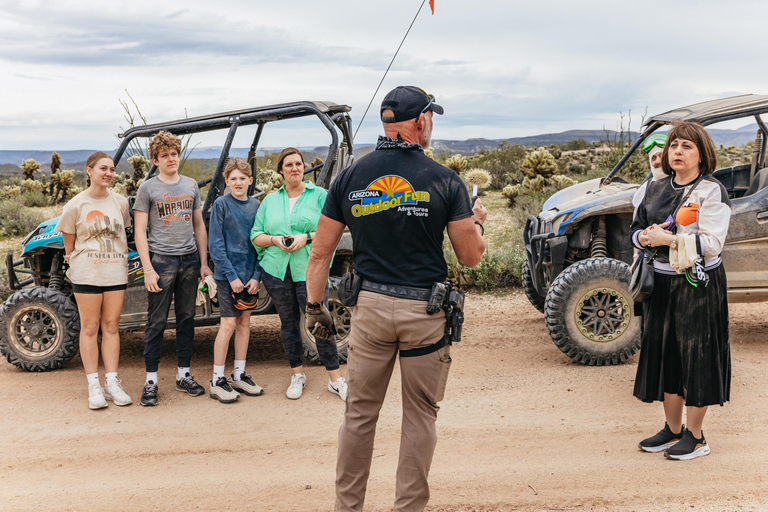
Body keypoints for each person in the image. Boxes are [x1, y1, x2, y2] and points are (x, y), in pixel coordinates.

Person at [305, 86, 488, 511]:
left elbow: (319, 253)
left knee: (358, 415)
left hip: (368, 310)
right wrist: (476, 223)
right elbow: (471, 256)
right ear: (421, 122)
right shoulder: (445, 179)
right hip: (424, 313)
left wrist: (316, 311)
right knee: (420, 417)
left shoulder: (350, 177)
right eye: (431, 118)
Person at [631, 121, 731, 460]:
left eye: (687, 146)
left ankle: (697, 436)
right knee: (666, 354)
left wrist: (668, 239)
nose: (677, 151)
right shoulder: (653, 188)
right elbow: (634, 230)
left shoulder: (711, 191)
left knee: (697, 355)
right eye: (674, 145)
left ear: (702, 155)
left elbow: (713, 244)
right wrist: (645, 237)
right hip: (660, 284)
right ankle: (673, 431)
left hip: (697, 286)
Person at [250, 147, 347, 401]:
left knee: (318, 319)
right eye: (289, 164)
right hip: (277, 271)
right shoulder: (270, 201)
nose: (295, 168)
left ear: (304, 168)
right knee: (289, 323)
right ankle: (297, 374)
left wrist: (307, 237)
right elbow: (255, 236)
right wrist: (274, 239)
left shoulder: (320, 196)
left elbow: (335, 227)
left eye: (298, 164)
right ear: (281, 170)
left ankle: (335, 379)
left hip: (311, 269)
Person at [133, 130, 213, 406]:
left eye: (174, 154)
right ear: (155, 160)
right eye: (164, 155)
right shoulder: (148, 189)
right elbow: (140, 231)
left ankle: (183, 374)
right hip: (161, 261)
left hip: (189, 260)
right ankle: (151, 380)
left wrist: (204, 263)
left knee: (186, 319)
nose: (171, 159)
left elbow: (198, 225)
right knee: (156, 322)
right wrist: (147, 268)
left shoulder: (190, 185)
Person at [55, 152, 133, 409]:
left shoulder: (120, 203)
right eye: (103, 168)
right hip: (87, 274)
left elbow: (123, 234)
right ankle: (94, 386)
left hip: (115, 273)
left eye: (112, 169)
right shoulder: (75, 206)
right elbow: (69, 246)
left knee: (111, 327)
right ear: (89, 171)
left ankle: (112, 382)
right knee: (89, 328)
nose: (109, 173)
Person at [207, 157, 264, 403]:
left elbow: (262, 243)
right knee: (228, 325)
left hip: (249, 277)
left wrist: (256, 277)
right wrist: (231, 277)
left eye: (243, 178)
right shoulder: (221, 204)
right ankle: (217, 379)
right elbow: (216, 246)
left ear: (250, 181)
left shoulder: (257, 206)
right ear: (226, 181)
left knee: (244, 324)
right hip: (227, 277)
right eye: (233, 179)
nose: (238, 182)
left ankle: (239, 374)